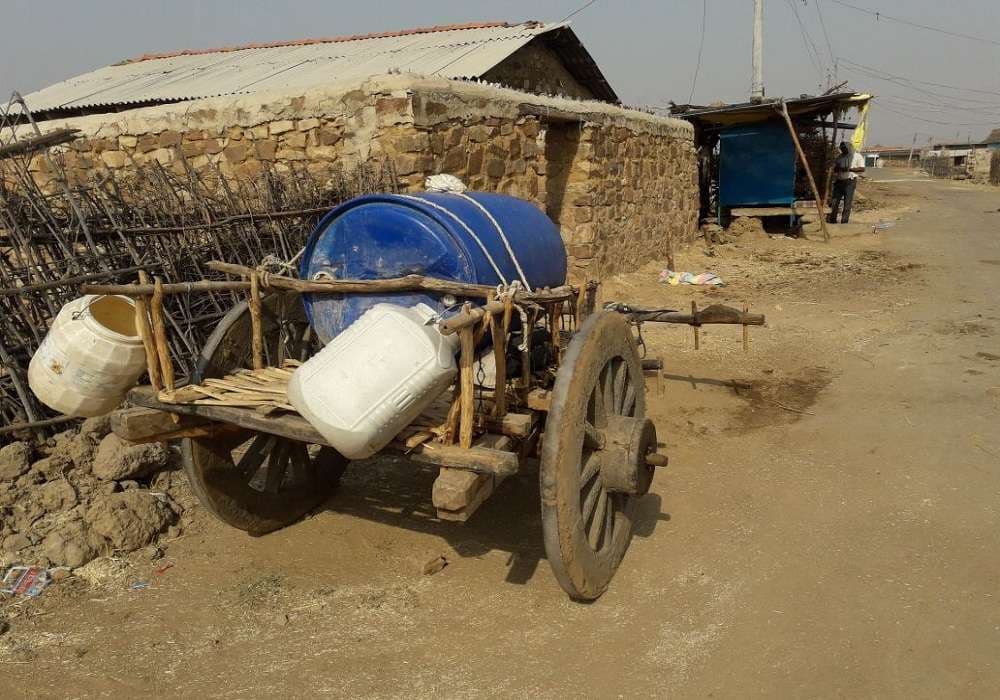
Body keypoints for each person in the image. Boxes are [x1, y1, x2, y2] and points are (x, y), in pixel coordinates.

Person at [828, 141, 865, 224]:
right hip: (839, 182)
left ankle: (844, 222)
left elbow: (862, 169)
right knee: (834, 202)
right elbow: (835, 168)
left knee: (847, 203)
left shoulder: (856, 156)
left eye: (844, 148)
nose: (843, 150)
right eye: (841, 148)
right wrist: (839, 168)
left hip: (850, 182)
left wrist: (849, 169)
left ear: (848, 147)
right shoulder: (840, 157)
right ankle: (832, 221)